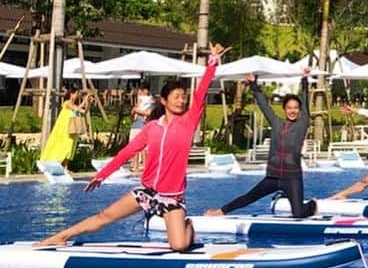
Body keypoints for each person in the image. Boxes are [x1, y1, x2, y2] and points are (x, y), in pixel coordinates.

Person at [36, 44, 227, 251]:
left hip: (172, 196)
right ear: (164, 100)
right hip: (147, 192)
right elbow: (126, 153)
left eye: (183, 97)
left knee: (179, 245)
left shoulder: (188, 122)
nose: (181, 101)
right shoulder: (151, 128)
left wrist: (212, 64)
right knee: (104, 216)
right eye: (176, 97)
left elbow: (200, 94)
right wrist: (102, 175)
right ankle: (60, 236)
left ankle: (187, 225)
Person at [205, 71, 316, 218]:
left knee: (299, 214)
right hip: (273, 177)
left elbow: (305, 101)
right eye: (289, 108)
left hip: (292, 178)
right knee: (249, 197)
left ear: (299, 110)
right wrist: (253, 84)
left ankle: (313, 204)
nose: (292, 111)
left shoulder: (303, 124)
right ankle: (221, 211)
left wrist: (304, 81)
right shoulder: (277, 123)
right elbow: (264, 106)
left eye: (295, 108)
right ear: (284, 109)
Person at [40, 88, 84, 164]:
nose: (77, 96)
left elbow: (83, 111)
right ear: (71, 94)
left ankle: (65, 166)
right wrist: (85, 100)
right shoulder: (67, 103)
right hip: (64, 128)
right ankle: (58, 163)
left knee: (70, 147)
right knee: (64, 146)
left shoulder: (74, 105)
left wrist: (88, 103)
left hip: (72, 129)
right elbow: (77, 109)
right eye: (76, 94)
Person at [127, 84, 155, 174]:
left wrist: (137, 110)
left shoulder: (151, 102)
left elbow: (148, 113)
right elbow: (132, 113)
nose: (141, 93)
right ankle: (135, 166)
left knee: (143, 148)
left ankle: (145, 166)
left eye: (142, 91)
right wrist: (135, 108)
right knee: (134, 147)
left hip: (143, 127)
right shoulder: (138, 103)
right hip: (135, 126)